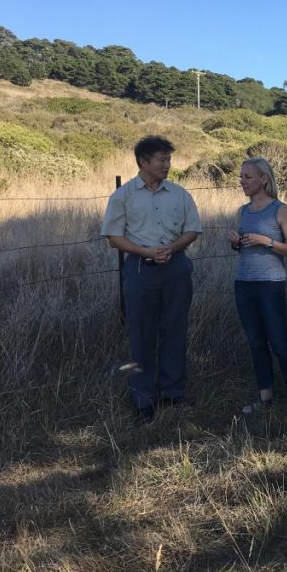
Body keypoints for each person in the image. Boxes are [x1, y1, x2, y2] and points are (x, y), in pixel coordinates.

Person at [101, 135, 201, 424]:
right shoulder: (123, 196)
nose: (168, 165)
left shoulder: (180, 194)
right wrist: (144, 251)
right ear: (144, 162)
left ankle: (173, 393)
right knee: (141, 335)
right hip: (140, 270)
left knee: (175, 329)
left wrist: (172, 248)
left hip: (176, 268)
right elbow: (113, 237)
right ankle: (143, 400)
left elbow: (193, 230)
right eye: (162, 160)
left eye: (168, 159)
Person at [227, 157, 287, 419]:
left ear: (264, 179)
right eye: (241, 177)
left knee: (280, 343)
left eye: (248, 176)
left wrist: (267, 241)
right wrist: (236, 243)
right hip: (244, 284)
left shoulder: (280, 210)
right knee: (256, 343)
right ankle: (266, 397)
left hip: (270, 285)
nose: (242, 181)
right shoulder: (242, 211)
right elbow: (242, 248)